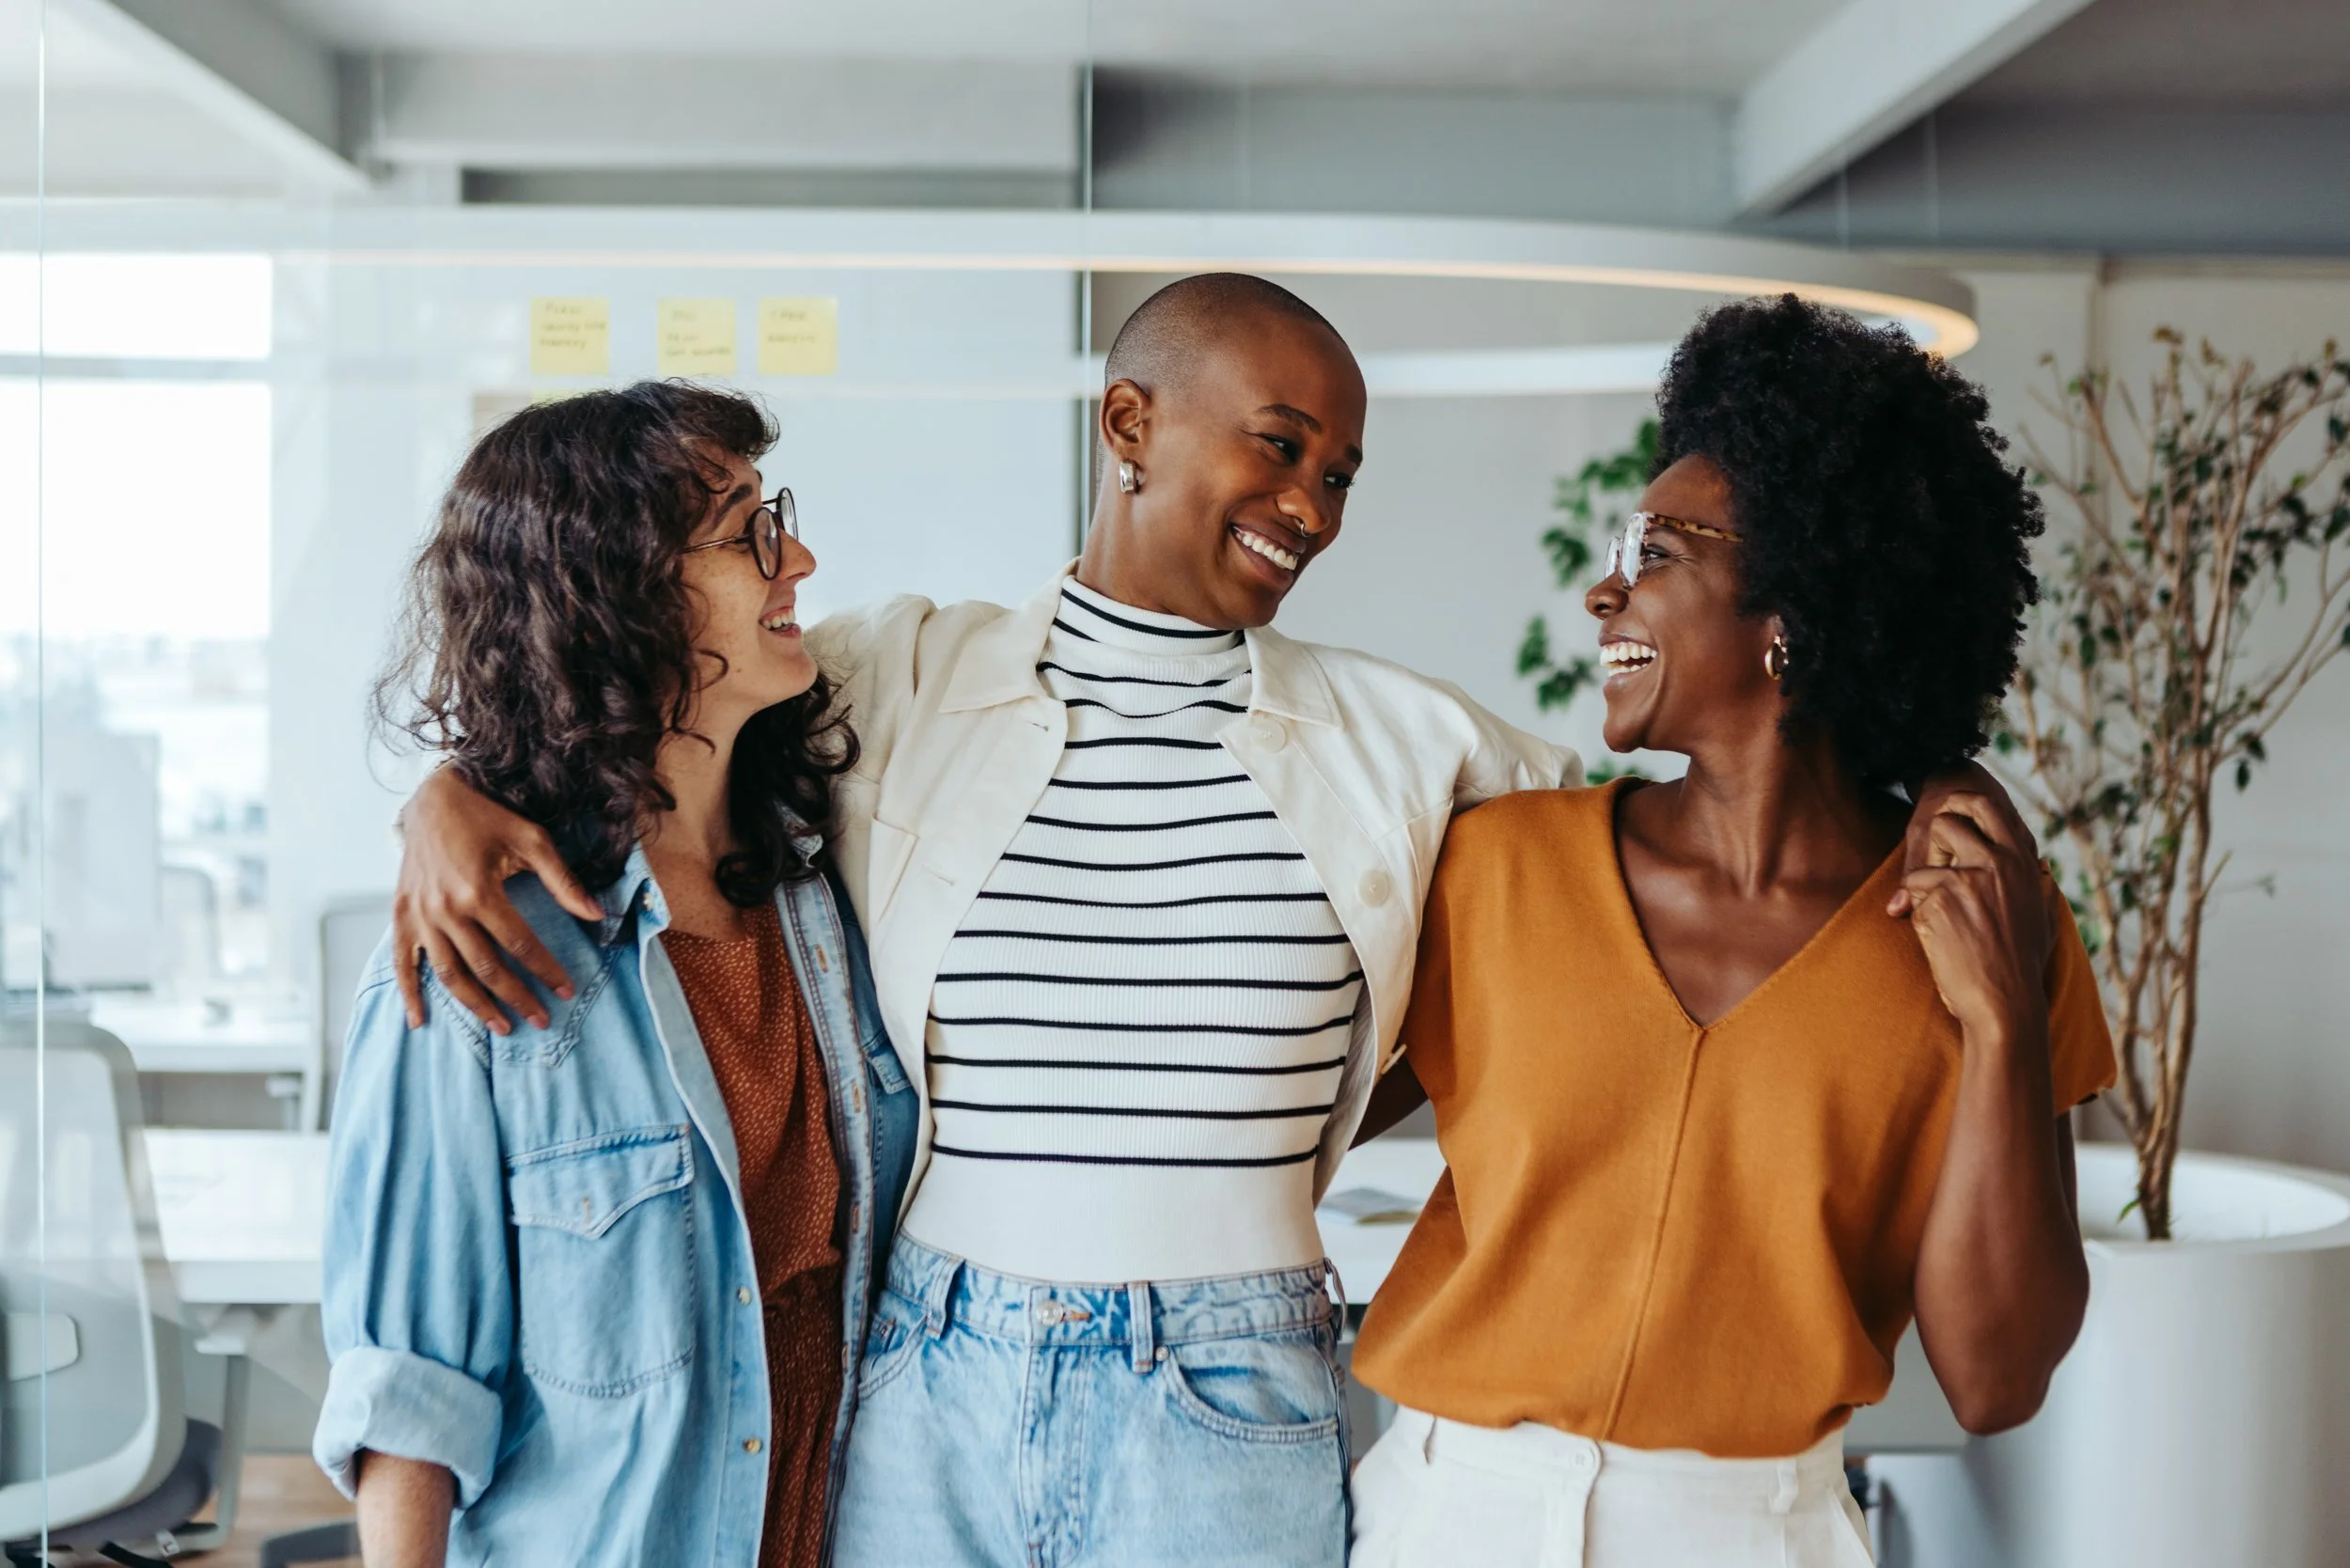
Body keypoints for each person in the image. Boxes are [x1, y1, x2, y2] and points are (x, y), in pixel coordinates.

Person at [384, 276, 2005, 1566]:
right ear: (1132, 423)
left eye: (1341, 474)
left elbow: (1708, 820)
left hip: (1227, 1376)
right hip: (929, 1367)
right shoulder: (894, 674)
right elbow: (644, 709)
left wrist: (1921, 772)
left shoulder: (1411, 743)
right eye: (1282, 444)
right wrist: (450, 790)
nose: (1312, 503)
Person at [1344, 295, 2117, 1568]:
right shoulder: (1496, 872)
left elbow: (1998, 1379)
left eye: (1657, 550)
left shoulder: (1988, 925)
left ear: (1793, 611)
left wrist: (1999, 1021)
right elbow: (1261, 1138)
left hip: (1758, 1535)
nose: (1604, 591)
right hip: (1448, 1513)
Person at [314, 384, 917, 1568]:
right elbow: (410, 1398)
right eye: (744, 531)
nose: (795, 555)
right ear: (619, 590)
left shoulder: (829, 884)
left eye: (772, 512)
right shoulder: (480, 956)